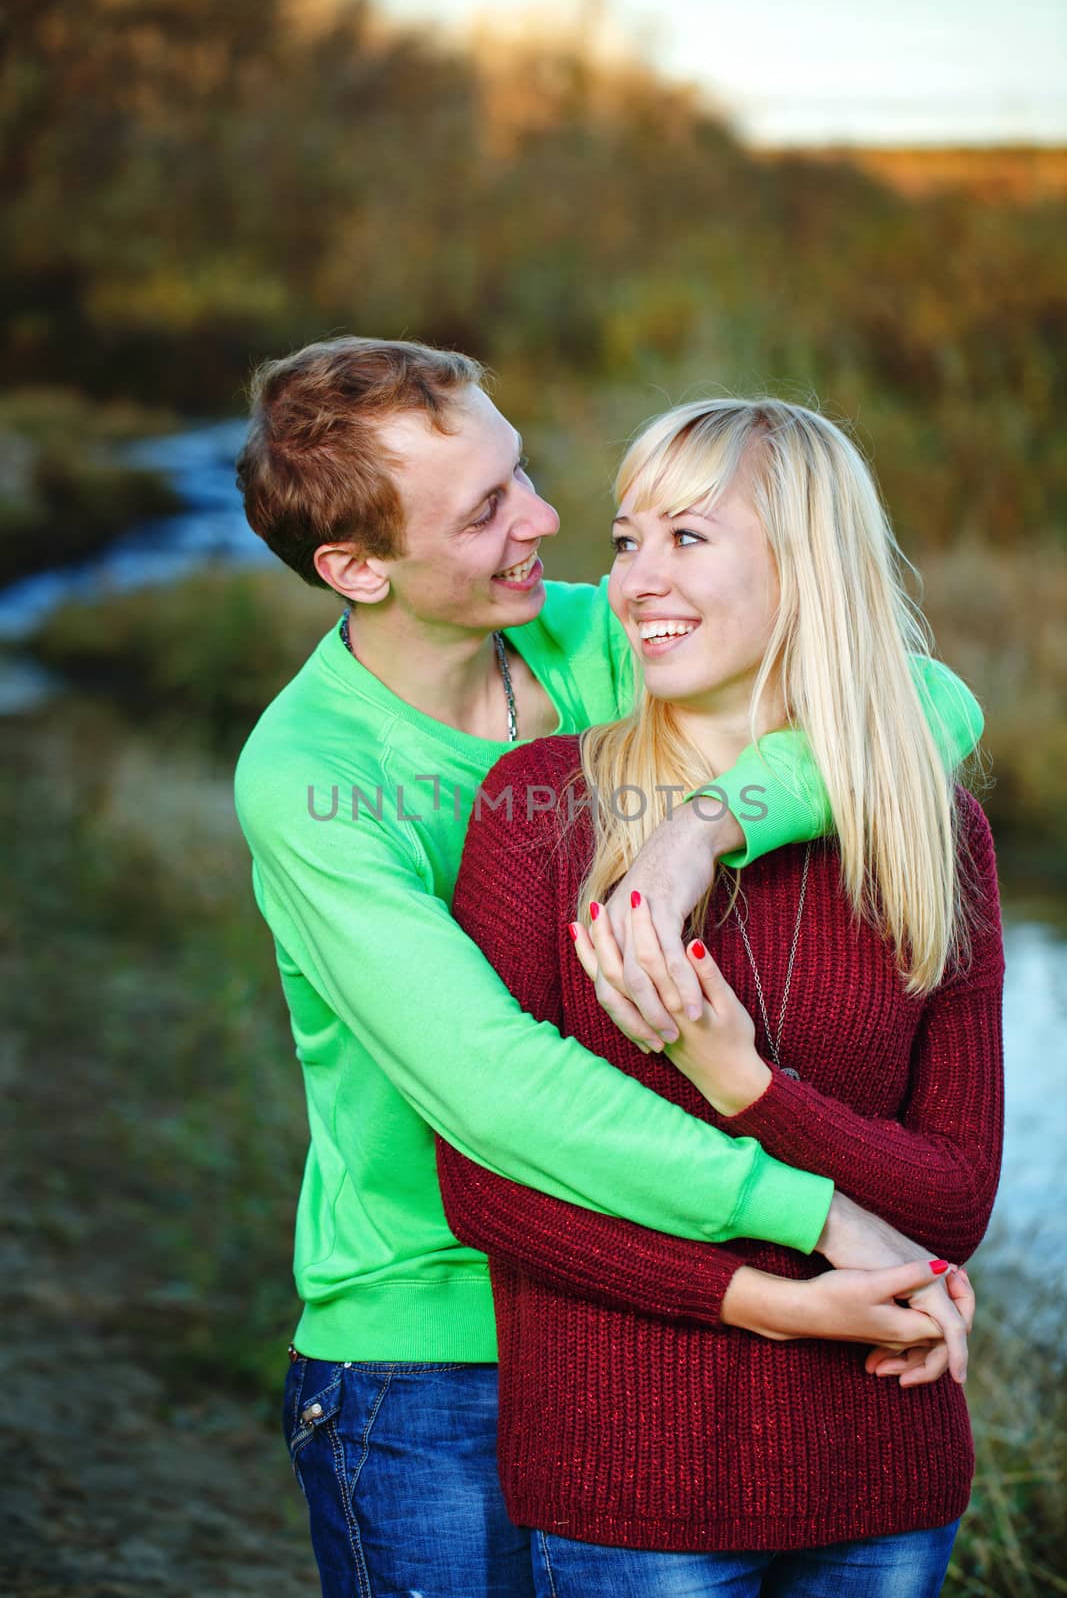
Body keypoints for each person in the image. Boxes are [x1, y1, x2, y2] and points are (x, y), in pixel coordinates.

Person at [233, 340, 982, 1598]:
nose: (542, 519)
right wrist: (814, 1212)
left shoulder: (589, 645)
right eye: (485, 512)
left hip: (647, 1324)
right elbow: (497, 1091)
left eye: (519, 471)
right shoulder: (312, 783)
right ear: (356, 569)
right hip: (437, 1351)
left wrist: (709, 823)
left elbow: (914, 699)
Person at [437, 396, 1004, 1596]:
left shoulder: (926, 830)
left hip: (884, 1488)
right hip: (630, 1494)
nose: (638, 579)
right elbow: (486, 1189)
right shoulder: (538, 813)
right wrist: (770, 1298)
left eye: (688, 538)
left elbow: (950, 1203)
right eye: (627, 537)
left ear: (807, 568)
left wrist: (740, 1081)